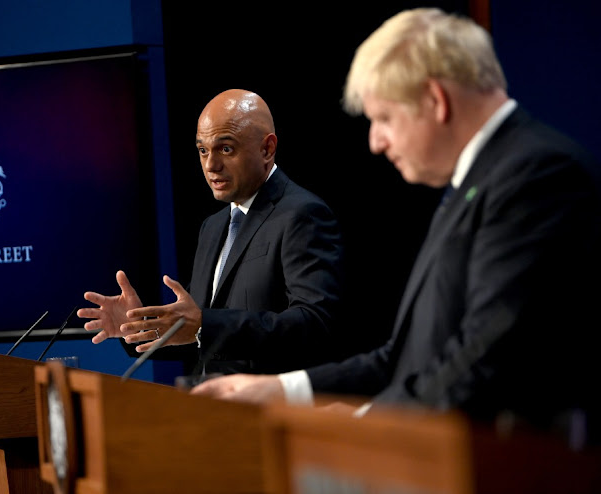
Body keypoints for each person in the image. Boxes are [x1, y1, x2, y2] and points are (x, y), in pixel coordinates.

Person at [191, 8, 601, 441]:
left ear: (435, 100)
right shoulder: (476, 184)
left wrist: (359, 423)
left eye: (384, 118)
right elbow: (406, 358)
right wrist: (282, 389)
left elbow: (486, 358)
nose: (376, 141)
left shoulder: (537, 175)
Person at [77, 89, 346, 376]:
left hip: (272, 410)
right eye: (203, 150)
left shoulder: (302, 215)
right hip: (212, 408)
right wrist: (140, 326)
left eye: (226, 149)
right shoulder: (213, 227)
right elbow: (199, 335)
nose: (210, 165)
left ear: (267, 149)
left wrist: (205, 325)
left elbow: (314, 324)